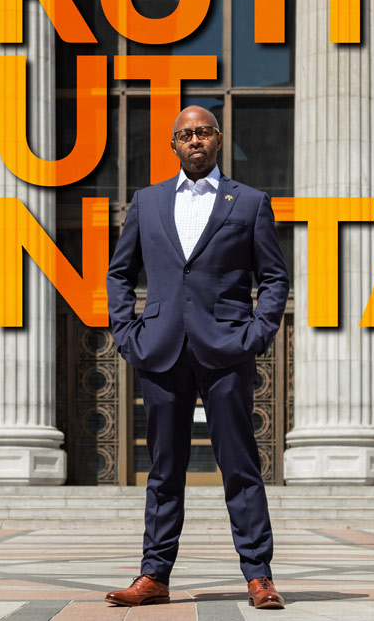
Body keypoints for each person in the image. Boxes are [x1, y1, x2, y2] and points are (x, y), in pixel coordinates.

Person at [104, 105, 290, 610]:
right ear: (173, 144)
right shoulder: (147, 202)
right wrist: (127, 334)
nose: (195, 140)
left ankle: (259, 576)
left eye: (203, 132)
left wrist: (256, 333)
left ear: (218, 139)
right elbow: (120, 275)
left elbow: (273, 278)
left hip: (227, 348)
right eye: (185, 134)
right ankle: (154, 575)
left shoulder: (249, 202)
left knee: (240, 465)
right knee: (164, 468)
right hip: (160, 350)